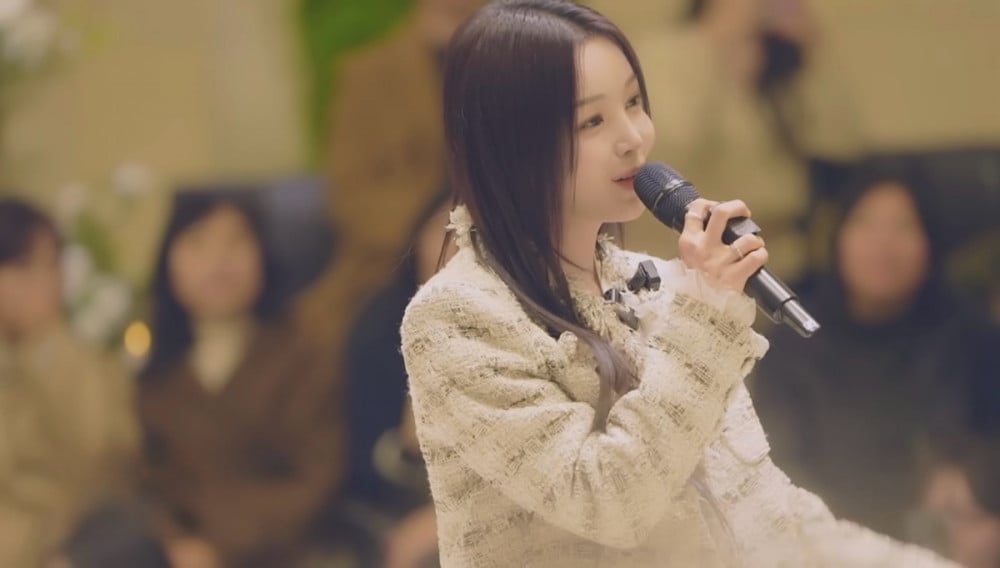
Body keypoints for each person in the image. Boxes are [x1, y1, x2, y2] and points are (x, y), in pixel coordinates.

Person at [399, 2, 956, 566]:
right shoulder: (455, 318)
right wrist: (707, 314)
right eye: (593, 121)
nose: (633, 138)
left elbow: (762, 507)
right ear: (512, 142)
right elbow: (610, 501)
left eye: (633, 103)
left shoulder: (658, 286)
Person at [750, 165, 1000, 541]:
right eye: (866, 223)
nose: (883, 243)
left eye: (902, 226)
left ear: (930, 241)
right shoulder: (794, 337)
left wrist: (978, 486)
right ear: (839, 238)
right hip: (823, 540)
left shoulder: (971, 335)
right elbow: (776, 463)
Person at [137, 191, 345, 568]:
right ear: (169, 261)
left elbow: (317, 479)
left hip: (290, 553)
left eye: (236, 241)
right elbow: (145, 481)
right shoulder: (156, 373)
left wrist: (220, 546)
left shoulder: (303, 355)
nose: (219, 261)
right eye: (198, 242)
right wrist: (174, 541)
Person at [0, 198, 138, 568]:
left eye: (53, 263)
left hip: (60, 546)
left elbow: (103, 460)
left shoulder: (82, 360)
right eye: (23, 266)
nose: (47, 280)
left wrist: (49, 343)